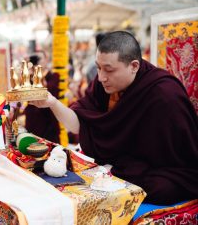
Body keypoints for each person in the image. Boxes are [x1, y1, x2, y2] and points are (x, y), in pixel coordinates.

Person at [31, 31, 198, 205]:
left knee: (162, 188)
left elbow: (180, 160)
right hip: (118, 164)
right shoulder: (104, 85)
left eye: (109, 70)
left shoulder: (164, 95)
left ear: (134, 66)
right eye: (98, 67)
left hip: (159, 170)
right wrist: (52, 103)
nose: (102, 77)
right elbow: (79, 125)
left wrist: (124, 168)